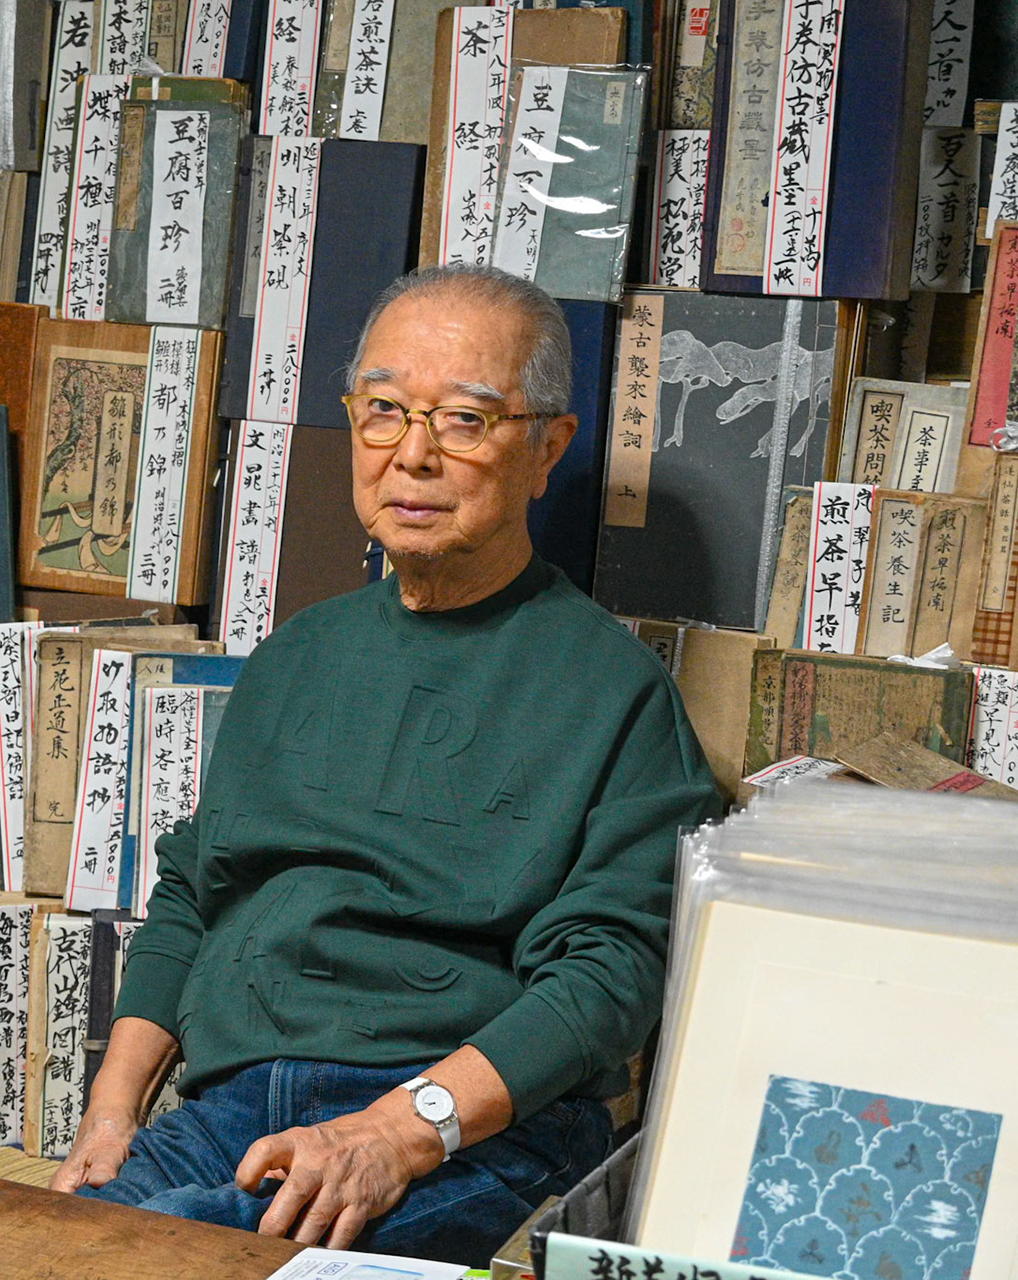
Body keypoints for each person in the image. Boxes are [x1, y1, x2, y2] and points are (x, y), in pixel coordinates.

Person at [51, 263, 722, 1263]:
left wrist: (399, 1131)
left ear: (547, 447)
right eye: (384, 411)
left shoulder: (616, 692)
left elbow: (608, 977)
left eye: (464, 420)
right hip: (230, 1110)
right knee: (55, 1246)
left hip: (466, 1128)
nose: (413, 454)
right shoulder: (295, 656)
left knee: (182, 1259)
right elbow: (195, 891)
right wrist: (111, 1112)